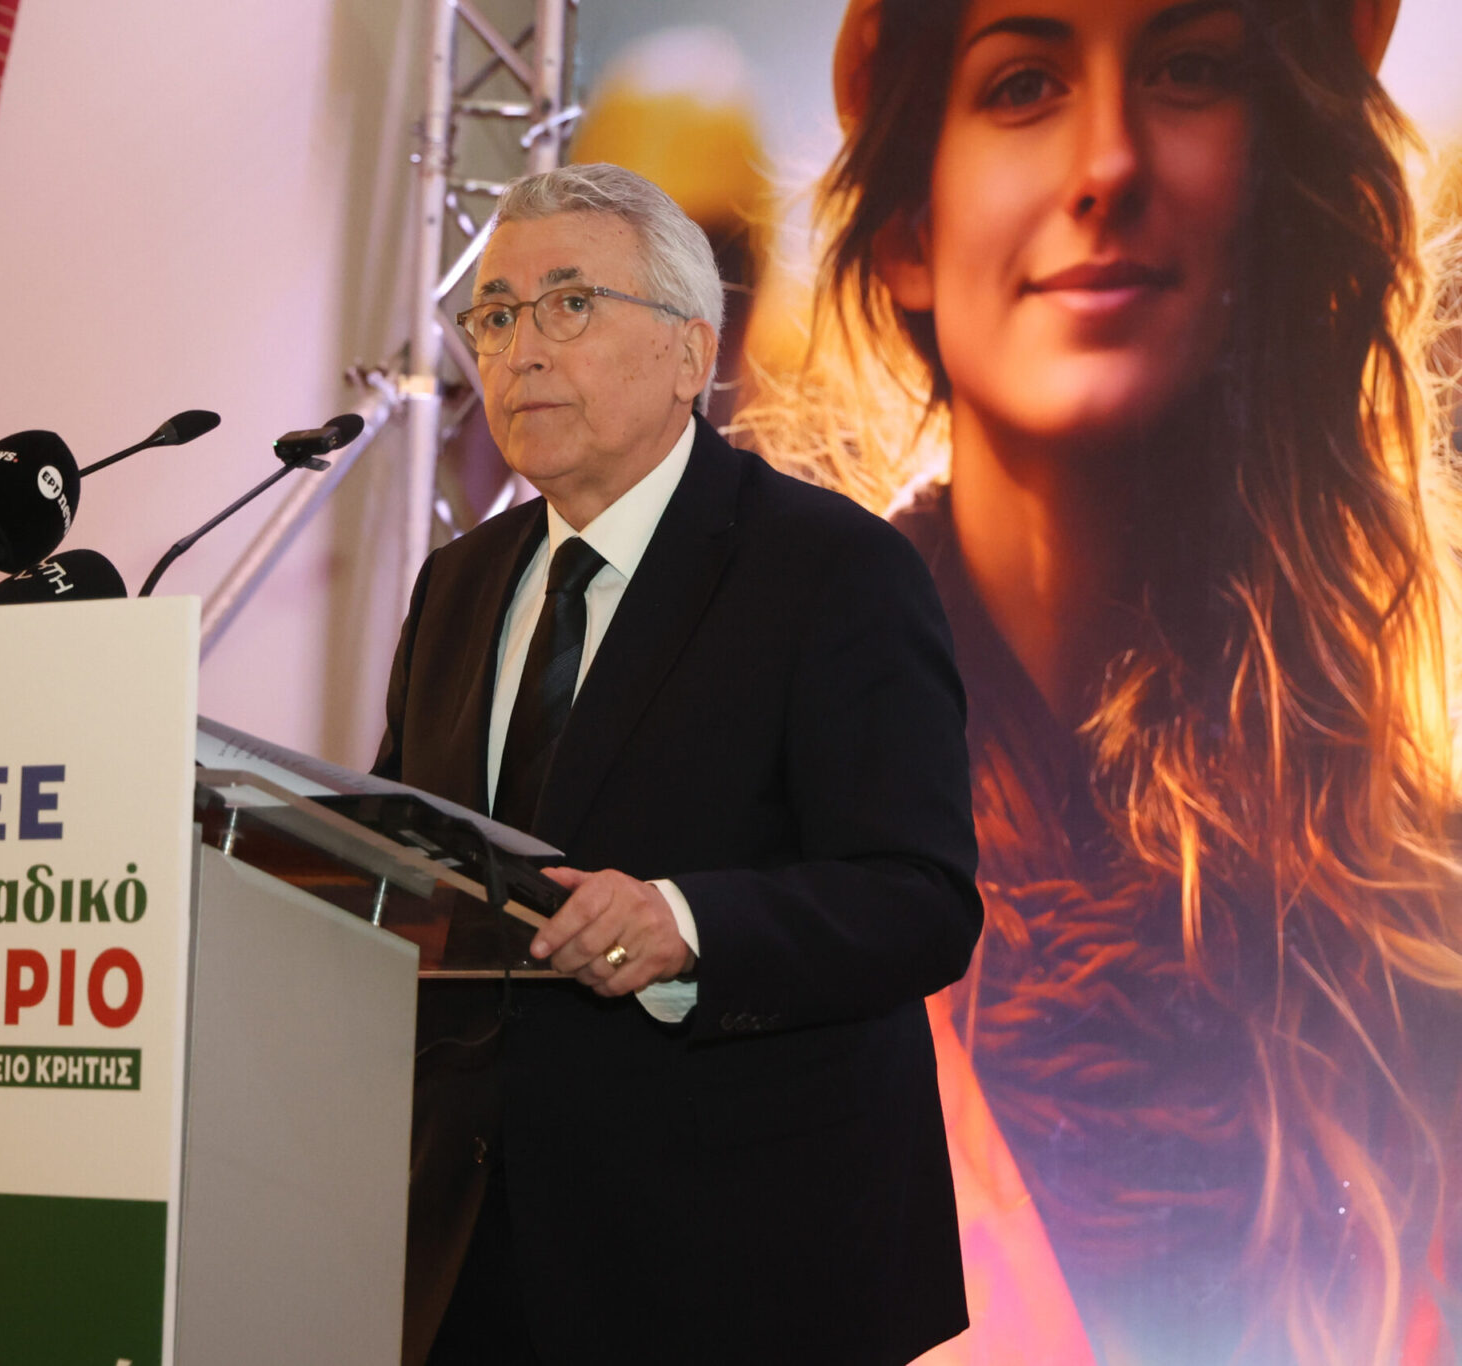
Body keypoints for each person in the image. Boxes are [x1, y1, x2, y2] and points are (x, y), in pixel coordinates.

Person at [739, 0, 1462, 1360]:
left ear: (1276, 194)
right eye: (1022, 83)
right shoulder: (740, 816)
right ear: (908, 228)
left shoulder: (1419, 906)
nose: (1109, 161)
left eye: (1190, 69)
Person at [374, 162, 983, 1366]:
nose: (518, 351)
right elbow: (414, 863)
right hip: (469, 1254)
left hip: (735, 1261)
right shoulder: (458, 583)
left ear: (687, 350)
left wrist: (685, 925)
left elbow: (919, 901)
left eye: (567, 304)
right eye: (492, 315)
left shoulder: (830, 570)